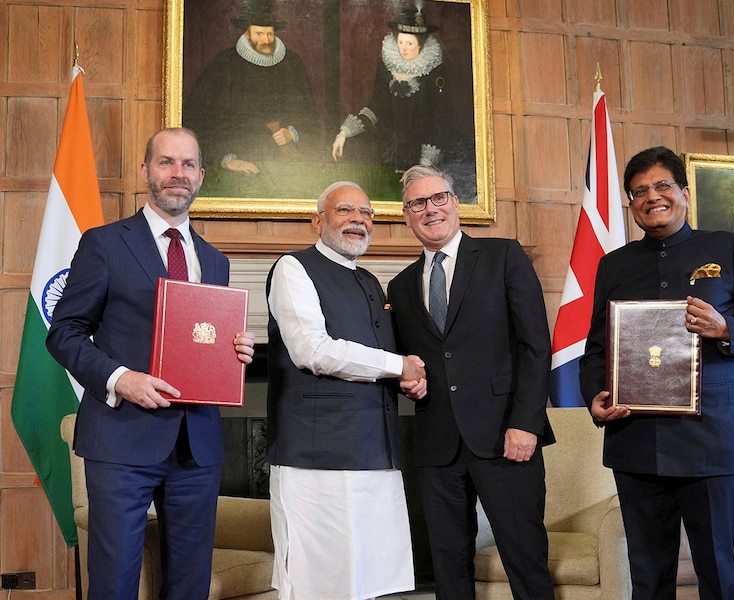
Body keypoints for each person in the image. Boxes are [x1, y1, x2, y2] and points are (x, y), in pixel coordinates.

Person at [46, 128, 256, 599]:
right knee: (115, 583)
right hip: (121, 439)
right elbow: (63, 333)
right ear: (146, 172)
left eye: (187, 165)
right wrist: (121, 379)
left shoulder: (215, 260)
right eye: (166, 162)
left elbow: (201, 341)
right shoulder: (103, 243)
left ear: (201, 176)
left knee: (189, 586)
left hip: (197, 446)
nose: (177, 174)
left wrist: (235, 350)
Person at [579, 146, 734, 600]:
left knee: (716, 569)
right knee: (648, 575)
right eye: (638, 191)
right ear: (631, 204)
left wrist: (725, 327)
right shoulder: (613, 265)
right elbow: (597, 347)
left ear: (685, 194)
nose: (650, 197)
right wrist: (595, 397)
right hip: (636, 440)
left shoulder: (729, 248)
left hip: (709, 441)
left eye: (661, 186)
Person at [387, 165, 556, 600]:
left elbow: (536, 346)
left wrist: (526, 424)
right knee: (448, 567)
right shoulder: (400, 286)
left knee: (525, 559)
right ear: (406, 216)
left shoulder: (503, 256)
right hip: (437, 445)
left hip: (505, 436)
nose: (430, 209)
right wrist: (409, 382)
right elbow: (412, 362)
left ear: (456, 204)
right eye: (417, 204)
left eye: (438, 198)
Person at [265, 181, 427, 599]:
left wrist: (410, 378)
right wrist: (398, 366)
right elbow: (312, 351)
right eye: (345, 211)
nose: (359, 219)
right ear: (318, 221)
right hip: (316, 458)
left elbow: (381, 361)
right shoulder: (293, 267)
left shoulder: (372, 282)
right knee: (317, 581)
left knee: (370, 581)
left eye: (367, 213)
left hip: (377, 454)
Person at [183, 0, 320, 172]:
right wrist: (226, 159)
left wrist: (292, 133)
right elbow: (200, 119)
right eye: (259, 34)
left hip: (287, 161)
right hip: (239, 157)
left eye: (270, 34)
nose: (266, 40)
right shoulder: (224, 63)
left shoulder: (292, 63)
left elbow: (309, 114)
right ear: (247, 34)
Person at [331, 7, 453, 170]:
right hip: (389, 147)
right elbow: (376, 106)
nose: (403, 48)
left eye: (409, 43)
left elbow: (441, 120)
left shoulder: (434, 72)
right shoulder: (387, 66)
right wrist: (344, 133)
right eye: (400, 42)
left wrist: (425, 164)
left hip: (423, 151)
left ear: (421, 45)